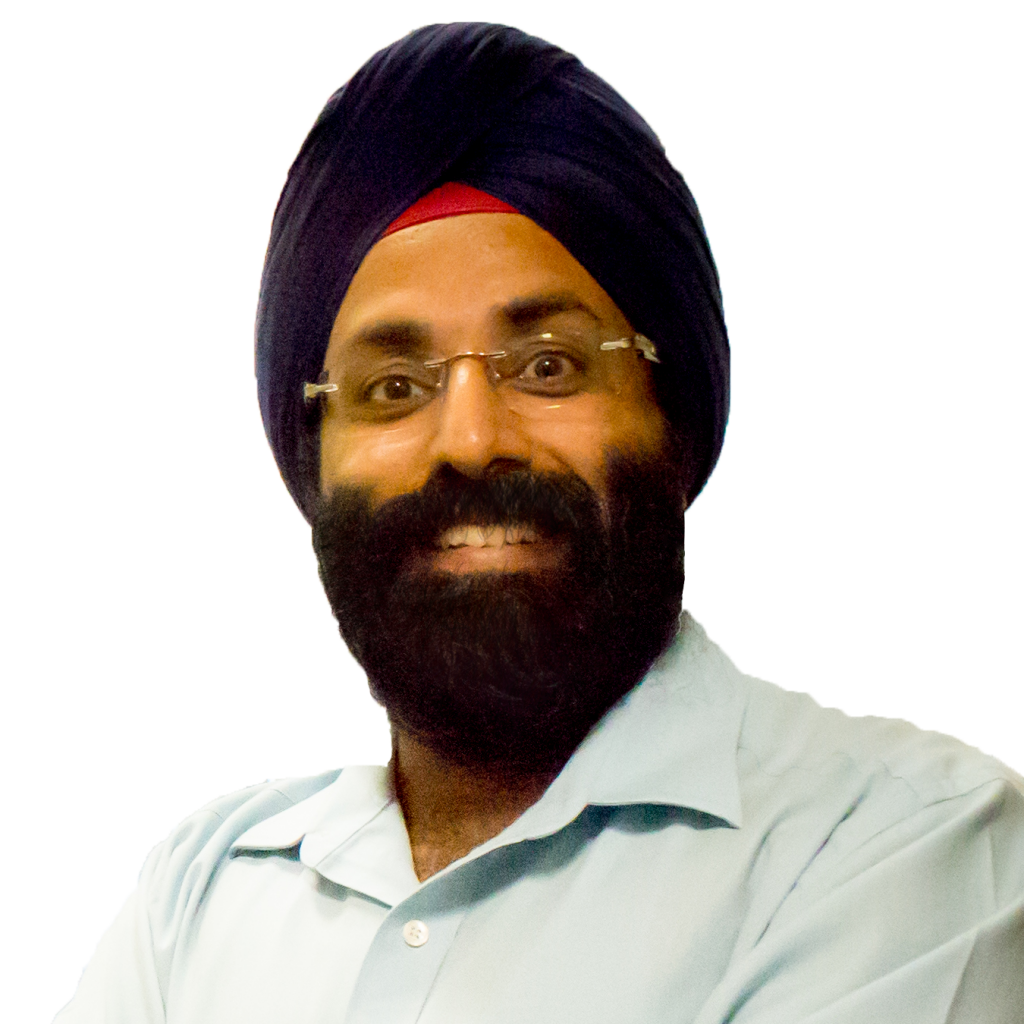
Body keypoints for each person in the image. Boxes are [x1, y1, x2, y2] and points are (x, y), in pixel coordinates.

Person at [56, 22, 1024, 1024]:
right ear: (315, 463)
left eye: (548, 366)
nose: (471, 440)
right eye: (393, 387)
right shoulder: (200, 899)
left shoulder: (903, 848)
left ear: (673, 418)